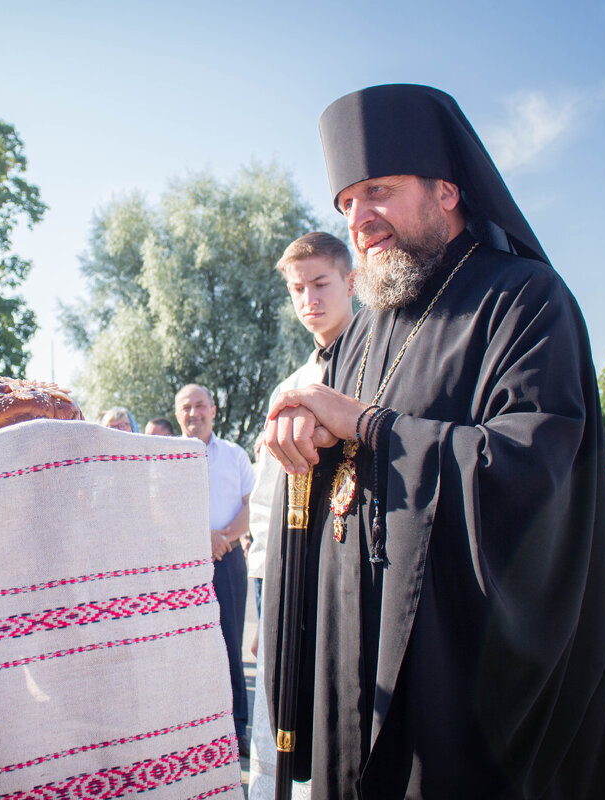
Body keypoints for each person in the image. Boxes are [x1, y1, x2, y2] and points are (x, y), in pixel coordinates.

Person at [260, 84, 605, 799]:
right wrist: (299, 431)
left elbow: (530, 470)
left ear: (446, 190)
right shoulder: (363, 330)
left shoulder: (527, 300)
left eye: (378, 190)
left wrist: (367, 426)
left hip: (462, 676)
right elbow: (336, 469)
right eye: (346, 202)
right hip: (359, 659)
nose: (359, 217)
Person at [245, 232, 355, 800]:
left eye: (320, 283)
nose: (308, 298)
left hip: (352, 571)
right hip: (291, 574)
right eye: (296, 289)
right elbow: (266, 500)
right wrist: (265, 597)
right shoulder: (290, 386)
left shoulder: (378, 368)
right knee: (284, 710)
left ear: (351, 282)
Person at [175, 383, 254, 757]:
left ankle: (237, 727)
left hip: (230, 562)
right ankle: (194, 728)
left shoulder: (235, 455)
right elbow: (163, 512)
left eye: (200, 405)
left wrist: (223, 540)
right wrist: (201, 538)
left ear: (213, 410)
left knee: (230, 644)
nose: (194, 413)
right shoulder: (167, 457)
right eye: (186, 407)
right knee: (189, 646)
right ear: (177, 414)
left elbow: (247, 508)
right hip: (186, 564)